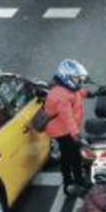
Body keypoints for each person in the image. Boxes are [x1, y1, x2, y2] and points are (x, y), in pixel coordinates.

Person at [42, 58, 90, 193]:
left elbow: (77, 93)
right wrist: (77, 136)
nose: (78, 81)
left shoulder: (66, 88)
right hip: (61, 131)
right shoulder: (61, 97)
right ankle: (68, 183)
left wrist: (90, 93)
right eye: (76, 79)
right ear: (66, 77)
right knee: (69, 156)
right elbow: (67, 118)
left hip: (67, 128)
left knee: (74, 155)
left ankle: (78, 179)